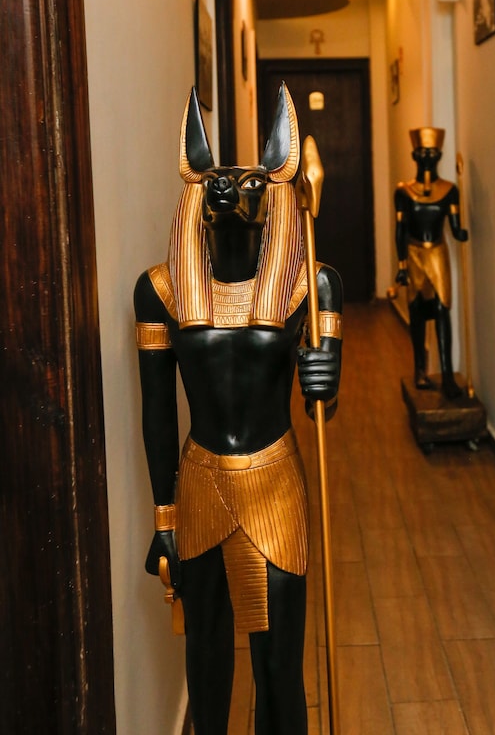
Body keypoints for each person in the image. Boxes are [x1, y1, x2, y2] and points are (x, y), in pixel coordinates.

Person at [134, 85, 342, 735]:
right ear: (198, 199)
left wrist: (324, 377)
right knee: (206, 662)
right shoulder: (161, 291)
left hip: (275, 480)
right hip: (199, 482)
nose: (229, 188)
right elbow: (157, 412)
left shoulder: (311, 284)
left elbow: (322, 405)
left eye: (251, 181)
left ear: (271, 197)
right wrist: (163, 518)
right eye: (217, 181)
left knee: (279, 669)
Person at [394, 127, 467, 398]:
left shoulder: (449, 191)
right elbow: (400, 231)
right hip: (414, 253)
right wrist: (402, 265)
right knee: (417, 312)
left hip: (437, 253)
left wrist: (460, 233)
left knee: (441, 309)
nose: (427, 157)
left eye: (432, 152)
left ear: (439, 155)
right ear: (414, 155)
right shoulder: (404, 192)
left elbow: (455, 227)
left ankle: (447, 375)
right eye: (423, 152)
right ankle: (420, 370)